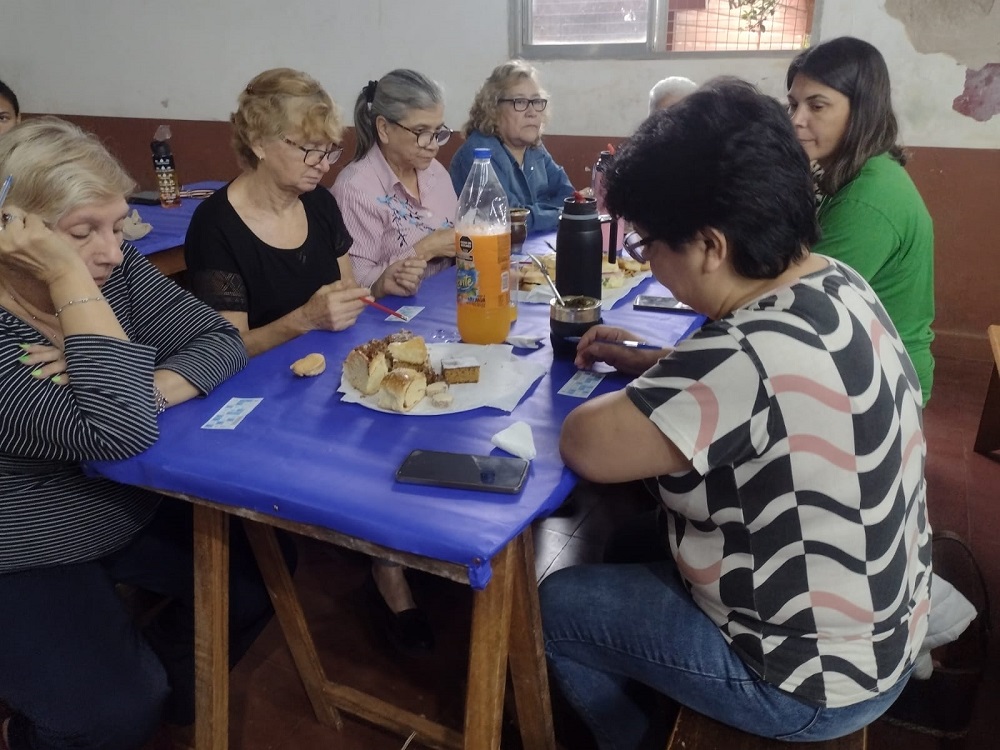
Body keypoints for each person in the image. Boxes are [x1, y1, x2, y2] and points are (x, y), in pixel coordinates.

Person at [539, 81, 930, 750]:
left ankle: (626, 737)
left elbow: (586, 445)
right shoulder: (834, 280)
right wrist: (661, 366)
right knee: (636, 540)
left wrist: (659, 379)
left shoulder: (745, 354)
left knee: (556, 607)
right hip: (883, 630)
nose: (651, 265)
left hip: (808, 684)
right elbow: (757, 391)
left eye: (649, 246)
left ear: (712, 246)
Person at [0, 118, 271, 750]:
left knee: (256, 579)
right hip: (19, 532)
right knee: (112, 712)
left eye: (118, 225)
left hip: (111, 496)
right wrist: (68, 279)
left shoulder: (115, 274)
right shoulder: (79, 279)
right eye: (81, 233)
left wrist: (137, 383)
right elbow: (117, 429)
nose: (112, 252)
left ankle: (162, 691)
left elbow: (219, 339)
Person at [786, 36, 935, 405]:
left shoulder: (869, 197)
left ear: (861, 110)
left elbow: (800, 305)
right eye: (792, 104)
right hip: (855, 354)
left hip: (883, 377)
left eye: (816, 106)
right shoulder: (848, 173)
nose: (796, 121)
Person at [185, 67, 372, 358]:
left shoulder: (320, 202)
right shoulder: (215, 225)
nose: (323, 166)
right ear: (259, 142)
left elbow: (346, 293)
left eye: (328, 151)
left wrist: (375, 289)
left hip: (328, 365)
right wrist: (306, 320)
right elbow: (228, 348)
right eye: (310, 150)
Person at [332, 69, 456, 297]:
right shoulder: (355, 189)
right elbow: (356, 284)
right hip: (385, 319)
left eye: (437, 131)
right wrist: (426, 249)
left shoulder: (436, 173)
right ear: (384, 129)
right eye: (421, 131)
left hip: (443, 303)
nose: (433, 145)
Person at [449, 60, 574, 234]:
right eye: (520, 102)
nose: (532, 112)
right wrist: (558, 213)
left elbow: (568, 196)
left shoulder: (534, 148)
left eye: (537, 101)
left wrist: (538, 213)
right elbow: (509, 222)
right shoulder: (478, 154)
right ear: (493, 108)